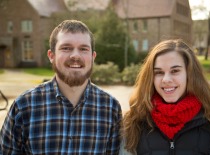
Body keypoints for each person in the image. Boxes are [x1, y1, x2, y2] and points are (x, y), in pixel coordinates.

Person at [0, 20, 122, 154]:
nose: (75, 55)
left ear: (93, 57)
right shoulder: (23, 106)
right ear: (51, 56)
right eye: (66, 48)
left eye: (83, 49)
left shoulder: (111, 108)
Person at [120, 39, 210, 155]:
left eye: (175, 71)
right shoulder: (134, 122)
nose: (166, 80)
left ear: (190, 74)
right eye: (159, 72)